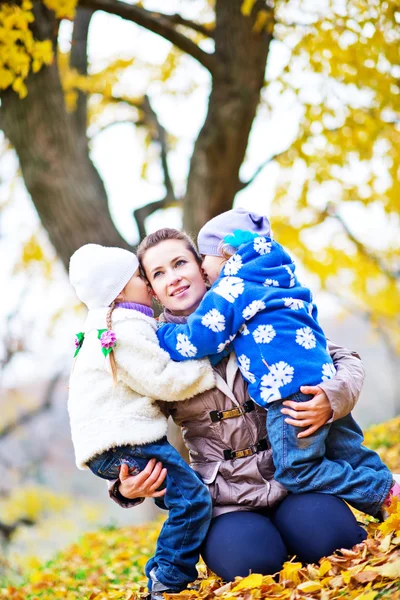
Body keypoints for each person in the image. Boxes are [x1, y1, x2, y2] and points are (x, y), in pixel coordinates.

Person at [107, 228, 369, 583]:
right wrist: (124, 487)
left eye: (180, 263)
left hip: (293, 478)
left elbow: (343, 359)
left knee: (334, 540)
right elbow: (127, 423)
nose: (174, 278)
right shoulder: (151, 349)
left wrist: (331, 398)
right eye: (159, 273)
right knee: (253, 566)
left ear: (202, 268)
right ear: (152, 291)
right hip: (223, 499)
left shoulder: (253, 301)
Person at [155, 210, 398, 517]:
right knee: (350, 453)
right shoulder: (280, 274)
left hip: (289, 395)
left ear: (227, 254)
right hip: (317, 377)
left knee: (297, 470)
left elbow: (200, 338)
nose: (204, 269)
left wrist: (158, 334)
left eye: (204, 258)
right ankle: (393, 495)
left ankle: (380, 494)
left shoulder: (234, 286)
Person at [68, 243, 216, 599]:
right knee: (193, 500)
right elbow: (162, 379)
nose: (148, 285)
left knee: (181, 497)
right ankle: (168, 578)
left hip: (111, 444)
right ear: (119, 291)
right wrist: (205, 365)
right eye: (140, 276)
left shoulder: (104, 330)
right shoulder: (125, 329)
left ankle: (174, 567)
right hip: (126, 441)